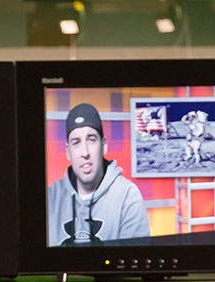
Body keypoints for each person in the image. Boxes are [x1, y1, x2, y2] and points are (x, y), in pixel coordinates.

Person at [46, 103, 150, 247]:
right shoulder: (50, 198)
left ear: (104, 145)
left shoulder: (127, 195)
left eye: (91, 140)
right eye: (76, 142)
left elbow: (132, 263)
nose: (85, 152)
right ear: (68, 151)